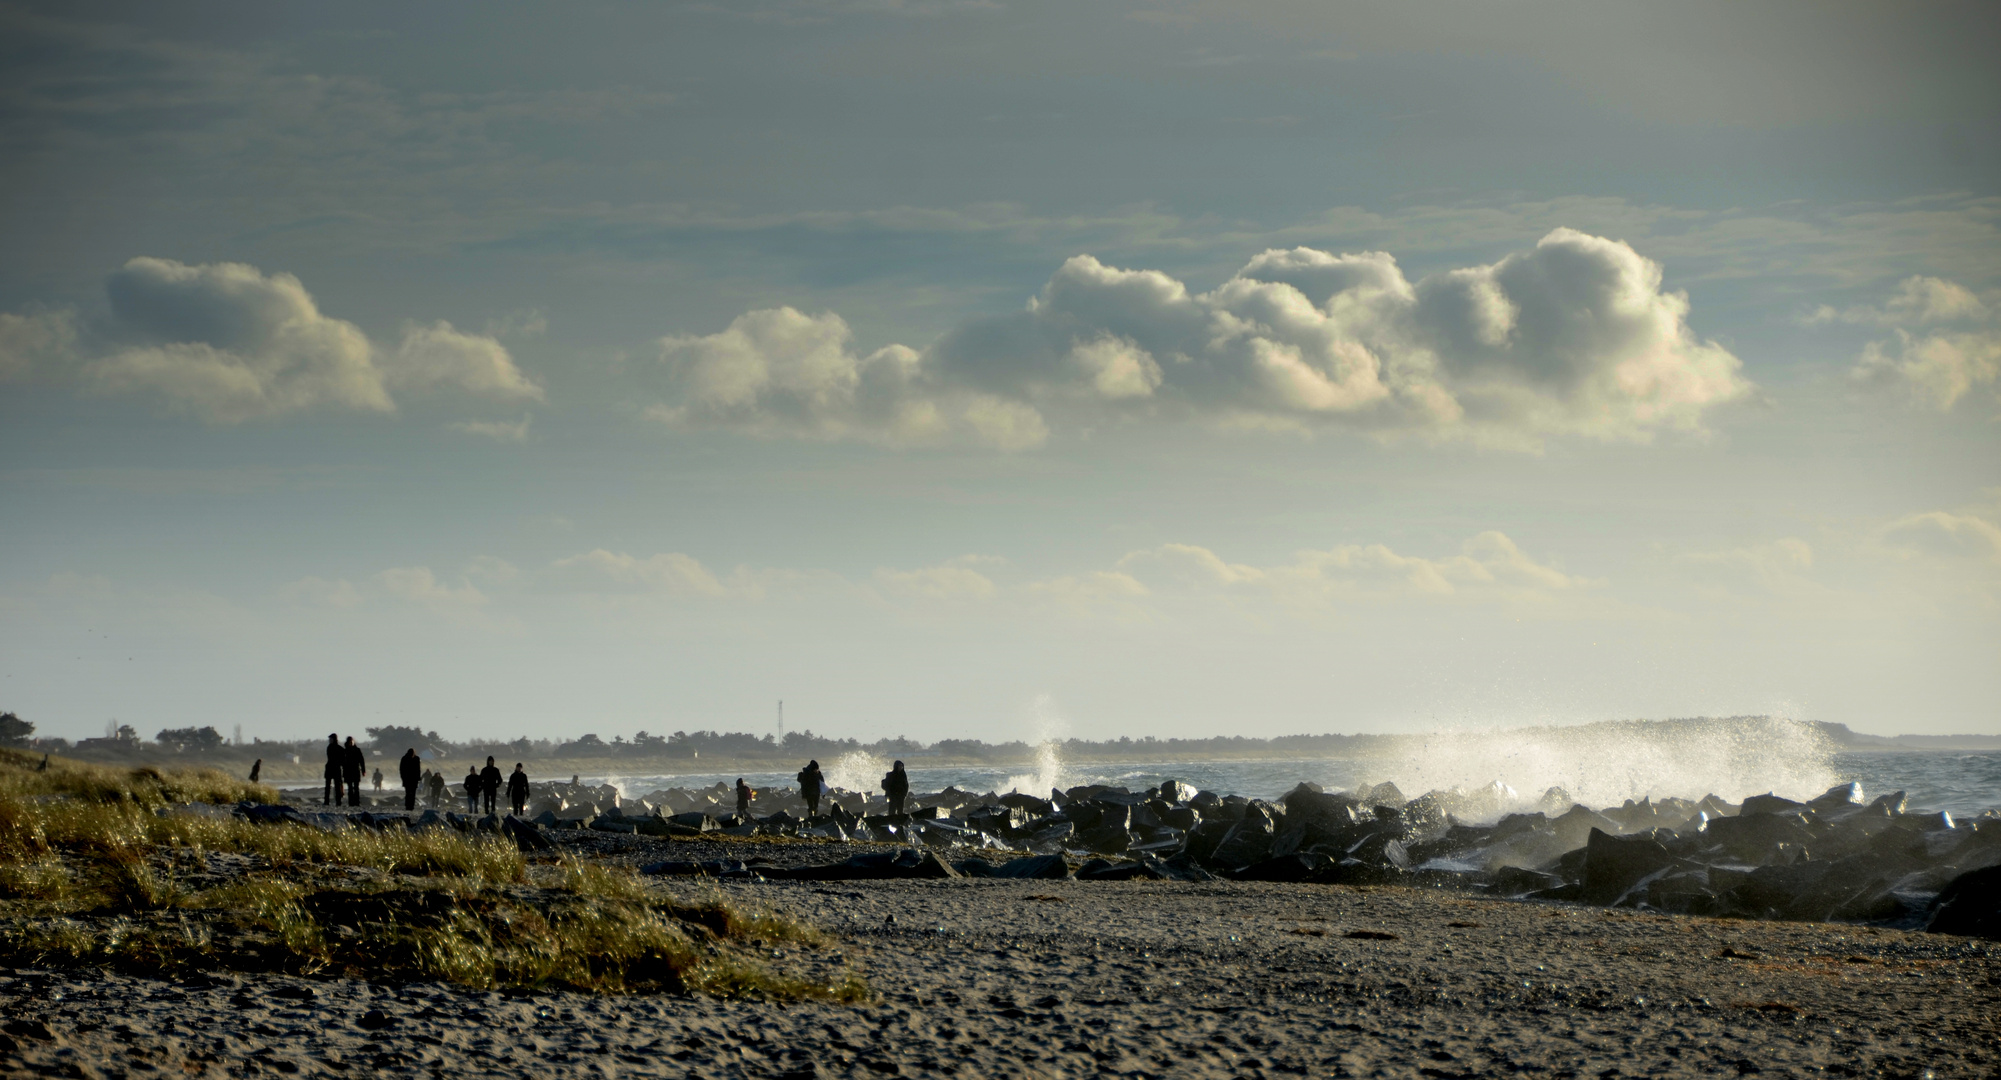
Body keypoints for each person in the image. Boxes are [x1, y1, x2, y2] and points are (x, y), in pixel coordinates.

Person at [342, 737, 366, 807]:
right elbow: (343, 762)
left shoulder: (357, 750)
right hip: (348, 771)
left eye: (352, 742)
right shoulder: (345, 751)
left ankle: (357, 802)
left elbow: (361, 761)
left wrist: (363, 770)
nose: (351, 743)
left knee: (356, 787)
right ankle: (351, 802)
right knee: (350, 788)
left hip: (355, 771)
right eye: (350, 742)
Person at [323, 734, 343, 806]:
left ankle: (337, 801)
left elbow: (342, 760)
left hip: (334, 768)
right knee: (329, 786)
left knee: (336, 786)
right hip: (332, 768)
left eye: (330, 739)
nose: (329, 740)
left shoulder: (333, 748)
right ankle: (327, 801)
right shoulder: (337, 748)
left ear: (334, 739)